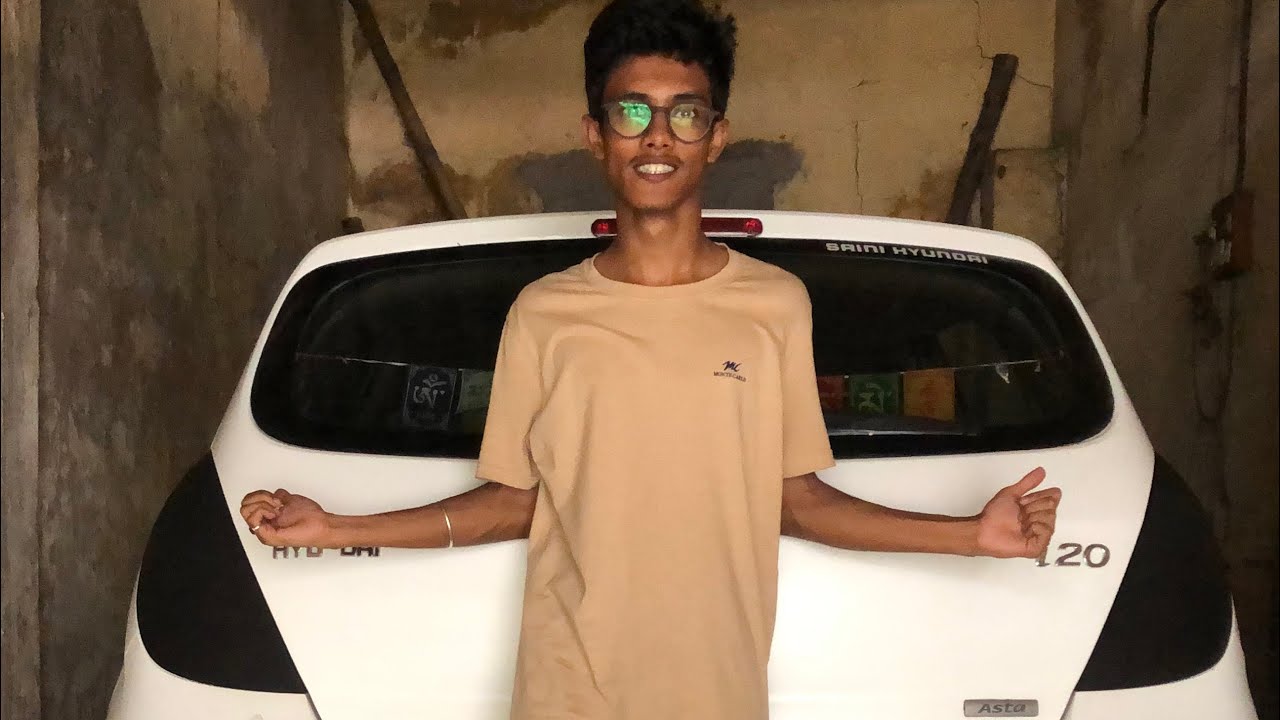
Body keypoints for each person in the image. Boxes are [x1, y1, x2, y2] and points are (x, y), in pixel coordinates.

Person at [239, 1, 1061, 718]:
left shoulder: (774, 307)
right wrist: (336, 527)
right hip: (569, 697)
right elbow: (513, 504)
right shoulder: (544, 315)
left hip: (716, 698)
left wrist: (971, 535)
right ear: (596, 136)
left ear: (716, 137)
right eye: (632, 112)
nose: (658, 136)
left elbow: (800, 501)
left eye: (685, 114)